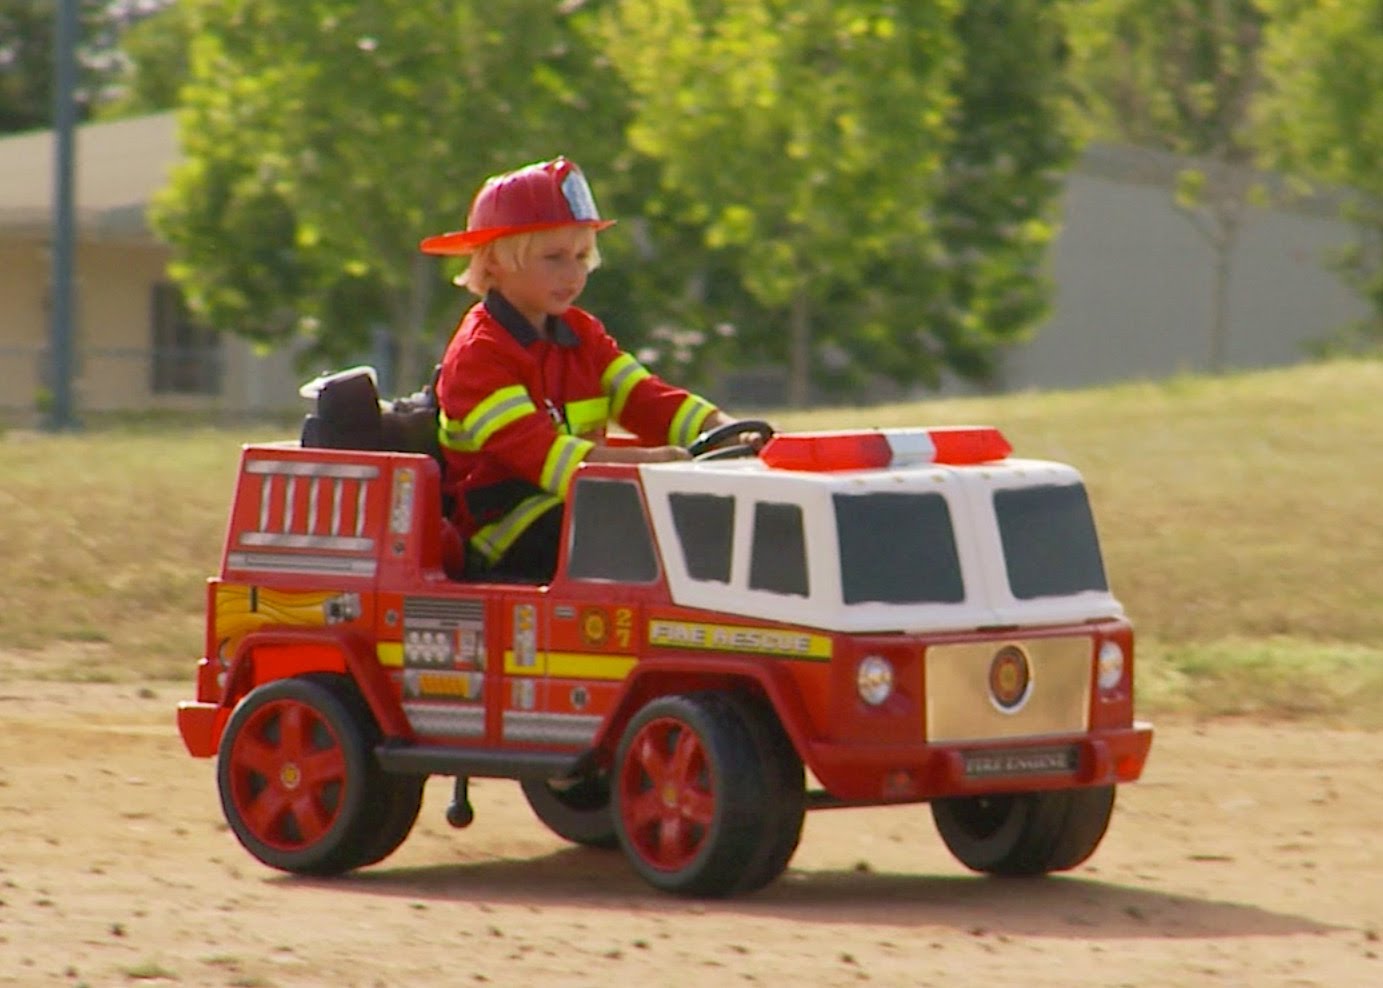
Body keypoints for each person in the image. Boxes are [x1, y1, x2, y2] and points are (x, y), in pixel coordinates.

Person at [420, 155, 749, 582]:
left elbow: (647, 399)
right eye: (554, 257)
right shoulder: (478, 356)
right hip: (505, 531)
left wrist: (729, 429)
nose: (573, 274)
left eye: (581, 255)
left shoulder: (581, 332)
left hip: (582, 504)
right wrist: (655, 466)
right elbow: (549, 462)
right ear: (496, 262)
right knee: (651, 538)